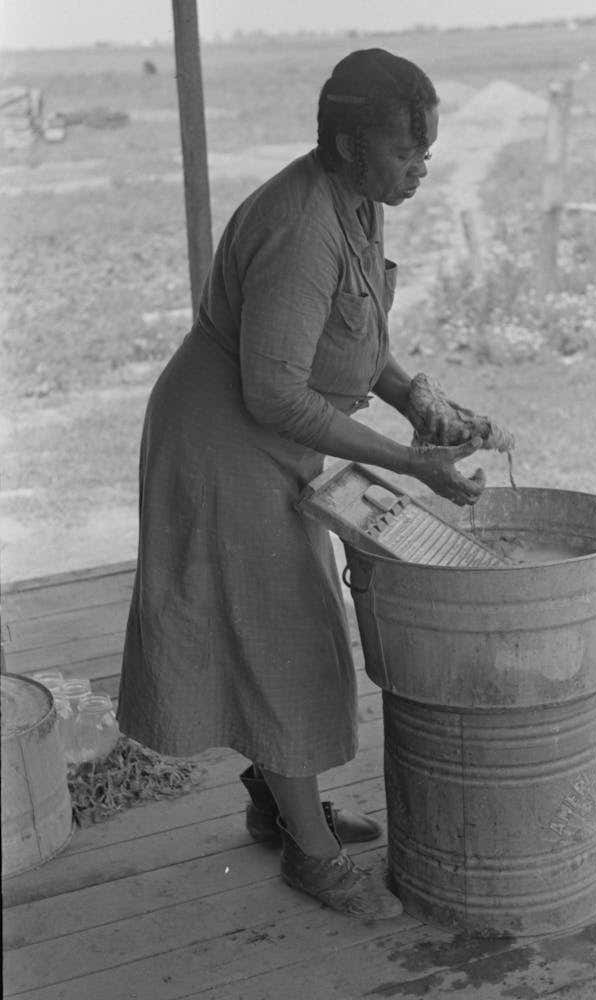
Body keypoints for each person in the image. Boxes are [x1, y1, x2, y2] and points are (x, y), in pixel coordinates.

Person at [117, 48, 489, 921]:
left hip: (268, 443)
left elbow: (354, 336)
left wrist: (415, 399)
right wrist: (411, 464)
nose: (421, 170)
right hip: (221, 448)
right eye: (409, 153)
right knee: (282, 642)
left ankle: (274, 803)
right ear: (350, 144)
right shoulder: (298, 224)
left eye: (428, 153)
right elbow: (273, 390)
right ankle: (309, 855)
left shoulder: (358, 203)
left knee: (279, 633)